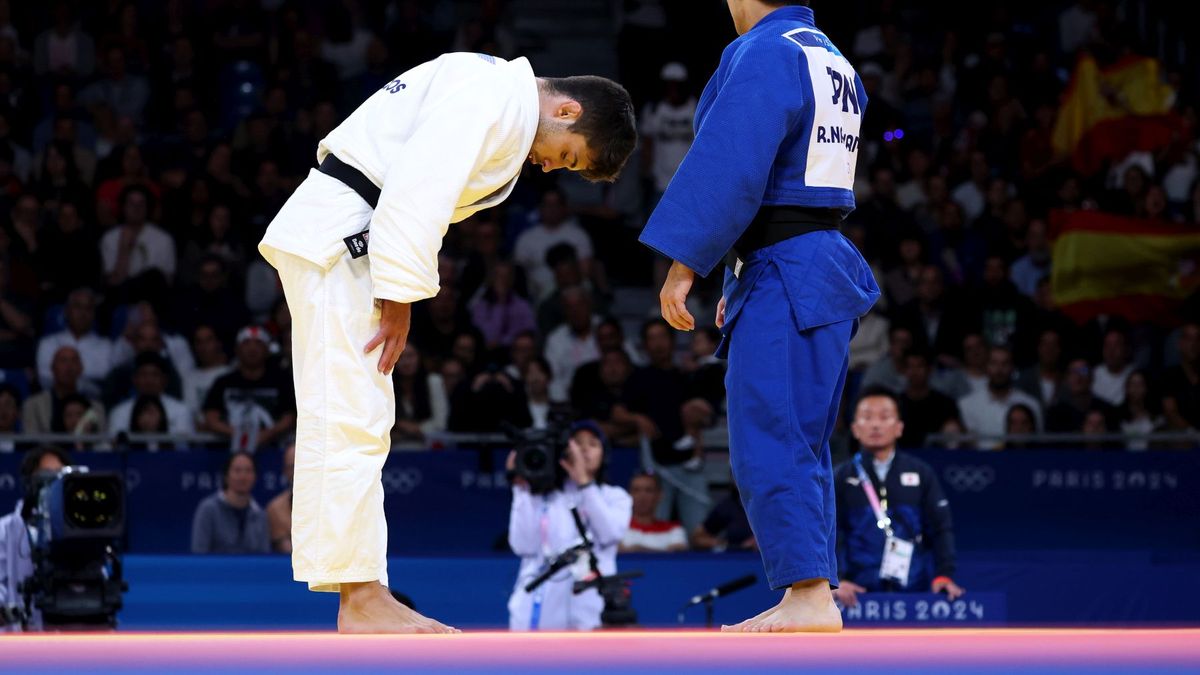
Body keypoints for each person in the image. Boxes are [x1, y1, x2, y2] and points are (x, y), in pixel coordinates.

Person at [257, 51, 635, 633]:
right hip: (346, 237)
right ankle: (360, 599)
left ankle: (358, 593)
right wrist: (399, 299)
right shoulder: (493, 97)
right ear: (565, 108)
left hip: (343, 232)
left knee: (351, 414)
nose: (549, 166)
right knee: (352, 414)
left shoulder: (487, 84)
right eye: (565, 155)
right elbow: (417, 191)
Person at [638, 0, 878, 632]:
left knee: (768, 434)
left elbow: (732, 161)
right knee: (802, 439)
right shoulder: (830, 57)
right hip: (811, 263)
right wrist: (738, 267)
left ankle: (806, 593)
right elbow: (790, 176)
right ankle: (813, 591)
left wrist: (687, 262)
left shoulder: (767, 50)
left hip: (786, 271)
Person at [833, 389, 963, 608]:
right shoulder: (840, 476)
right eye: (867, 417)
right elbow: (830, 533)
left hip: (914, 589)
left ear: (899, 427)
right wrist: (837, 579)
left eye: (884, 417)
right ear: (855, 429)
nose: (875, 425)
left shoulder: (921, 473)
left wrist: (944, 574)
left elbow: (942, 528)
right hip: (856, 594)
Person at [506, 420, 632, 631]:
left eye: (592, 444)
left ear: (604, 454)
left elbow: (609, 534)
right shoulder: (543, 497)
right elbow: (523, 547)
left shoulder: (615, 497)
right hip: (538, 608)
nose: (583, 450)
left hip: (590, 609)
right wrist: (521, 490)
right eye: (577, 443)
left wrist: (584, 483)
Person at [1, 446, 70, 632]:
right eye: (46, 475)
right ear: (28, 482)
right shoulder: (4, 530)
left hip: (70, 640)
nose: (54, 482)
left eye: (60, 475)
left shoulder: (79, 532)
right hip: (18, 642)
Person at [190, 451, 271, 555]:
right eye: (237, 471)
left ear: (255, 477)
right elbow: (199, 553)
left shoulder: (260, 515)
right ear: (226, 476)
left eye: (248, 471)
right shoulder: (208, 509)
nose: (243, 476)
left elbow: (264, 558)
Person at [620, 472, 688, 553]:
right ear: (629, 495)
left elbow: (677, 555)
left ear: (659, 495)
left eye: (648, 490)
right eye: (636, 490)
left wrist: (637, 549)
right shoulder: (617, 528)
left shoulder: (674, 530)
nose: (642, 496)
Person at [267, 444, 295, 553]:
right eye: (292, 467)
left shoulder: (331, 503)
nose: (298, 472)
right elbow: (287, 551)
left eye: (302, 465)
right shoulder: (275, 508)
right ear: (285, 471)